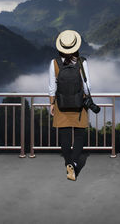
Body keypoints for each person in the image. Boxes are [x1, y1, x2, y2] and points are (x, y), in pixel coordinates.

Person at [48, 30, 91, 181]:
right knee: (79, 136)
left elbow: (52, 86)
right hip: (79, 104)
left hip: (61, 103)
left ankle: (68, 163)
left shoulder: (54, 63)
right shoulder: (82, 62)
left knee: (65, 136)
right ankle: (73, 161)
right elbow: (87, 86)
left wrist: (52, 103)